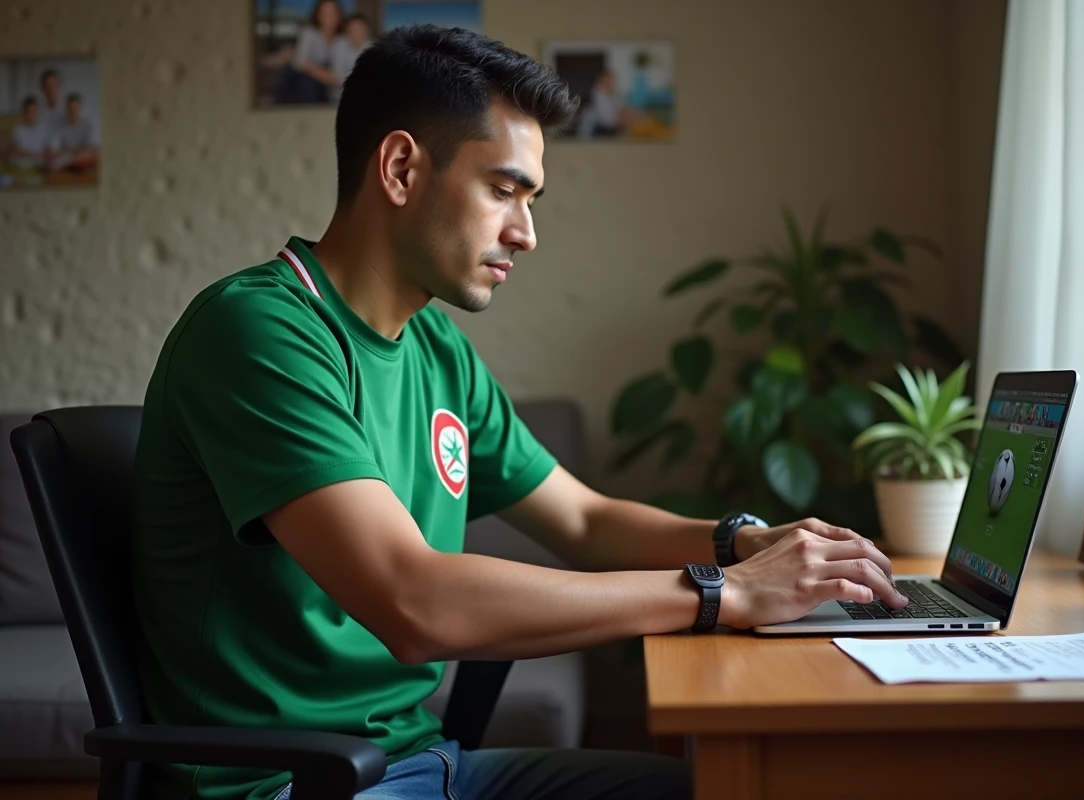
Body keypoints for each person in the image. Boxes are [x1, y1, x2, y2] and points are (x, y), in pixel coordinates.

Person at [131, 23, 908, 800]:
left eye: (529, 200)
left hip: (421, 763)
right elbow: (415, 602)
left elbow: (584, 522)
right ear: (401, 168)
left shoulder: (434, 344)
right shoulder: (260, 332)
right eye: (503, 191)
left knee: (719, 790)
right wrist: (721, 594)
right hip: (289, 788)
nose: (526, 234)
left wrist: (744, 543)